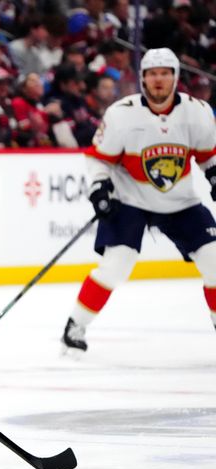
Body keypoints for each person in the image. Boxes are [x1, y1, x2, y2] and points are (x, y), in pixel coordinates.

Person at [61, 48, 216, 355]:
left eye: (165, 73)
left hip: (180, 201)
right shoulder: (122, 113)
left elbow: (208, 157)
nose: (159, 80)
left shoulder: (197, 112)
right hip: (129, 199)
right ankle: (75, 326)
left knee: (215, 260)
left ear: (175, 77)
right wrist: (99, 187)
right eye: (152, 74)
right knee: (115, 267)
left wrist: (214, 175)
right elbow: (98, 159)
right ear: (143, 78)